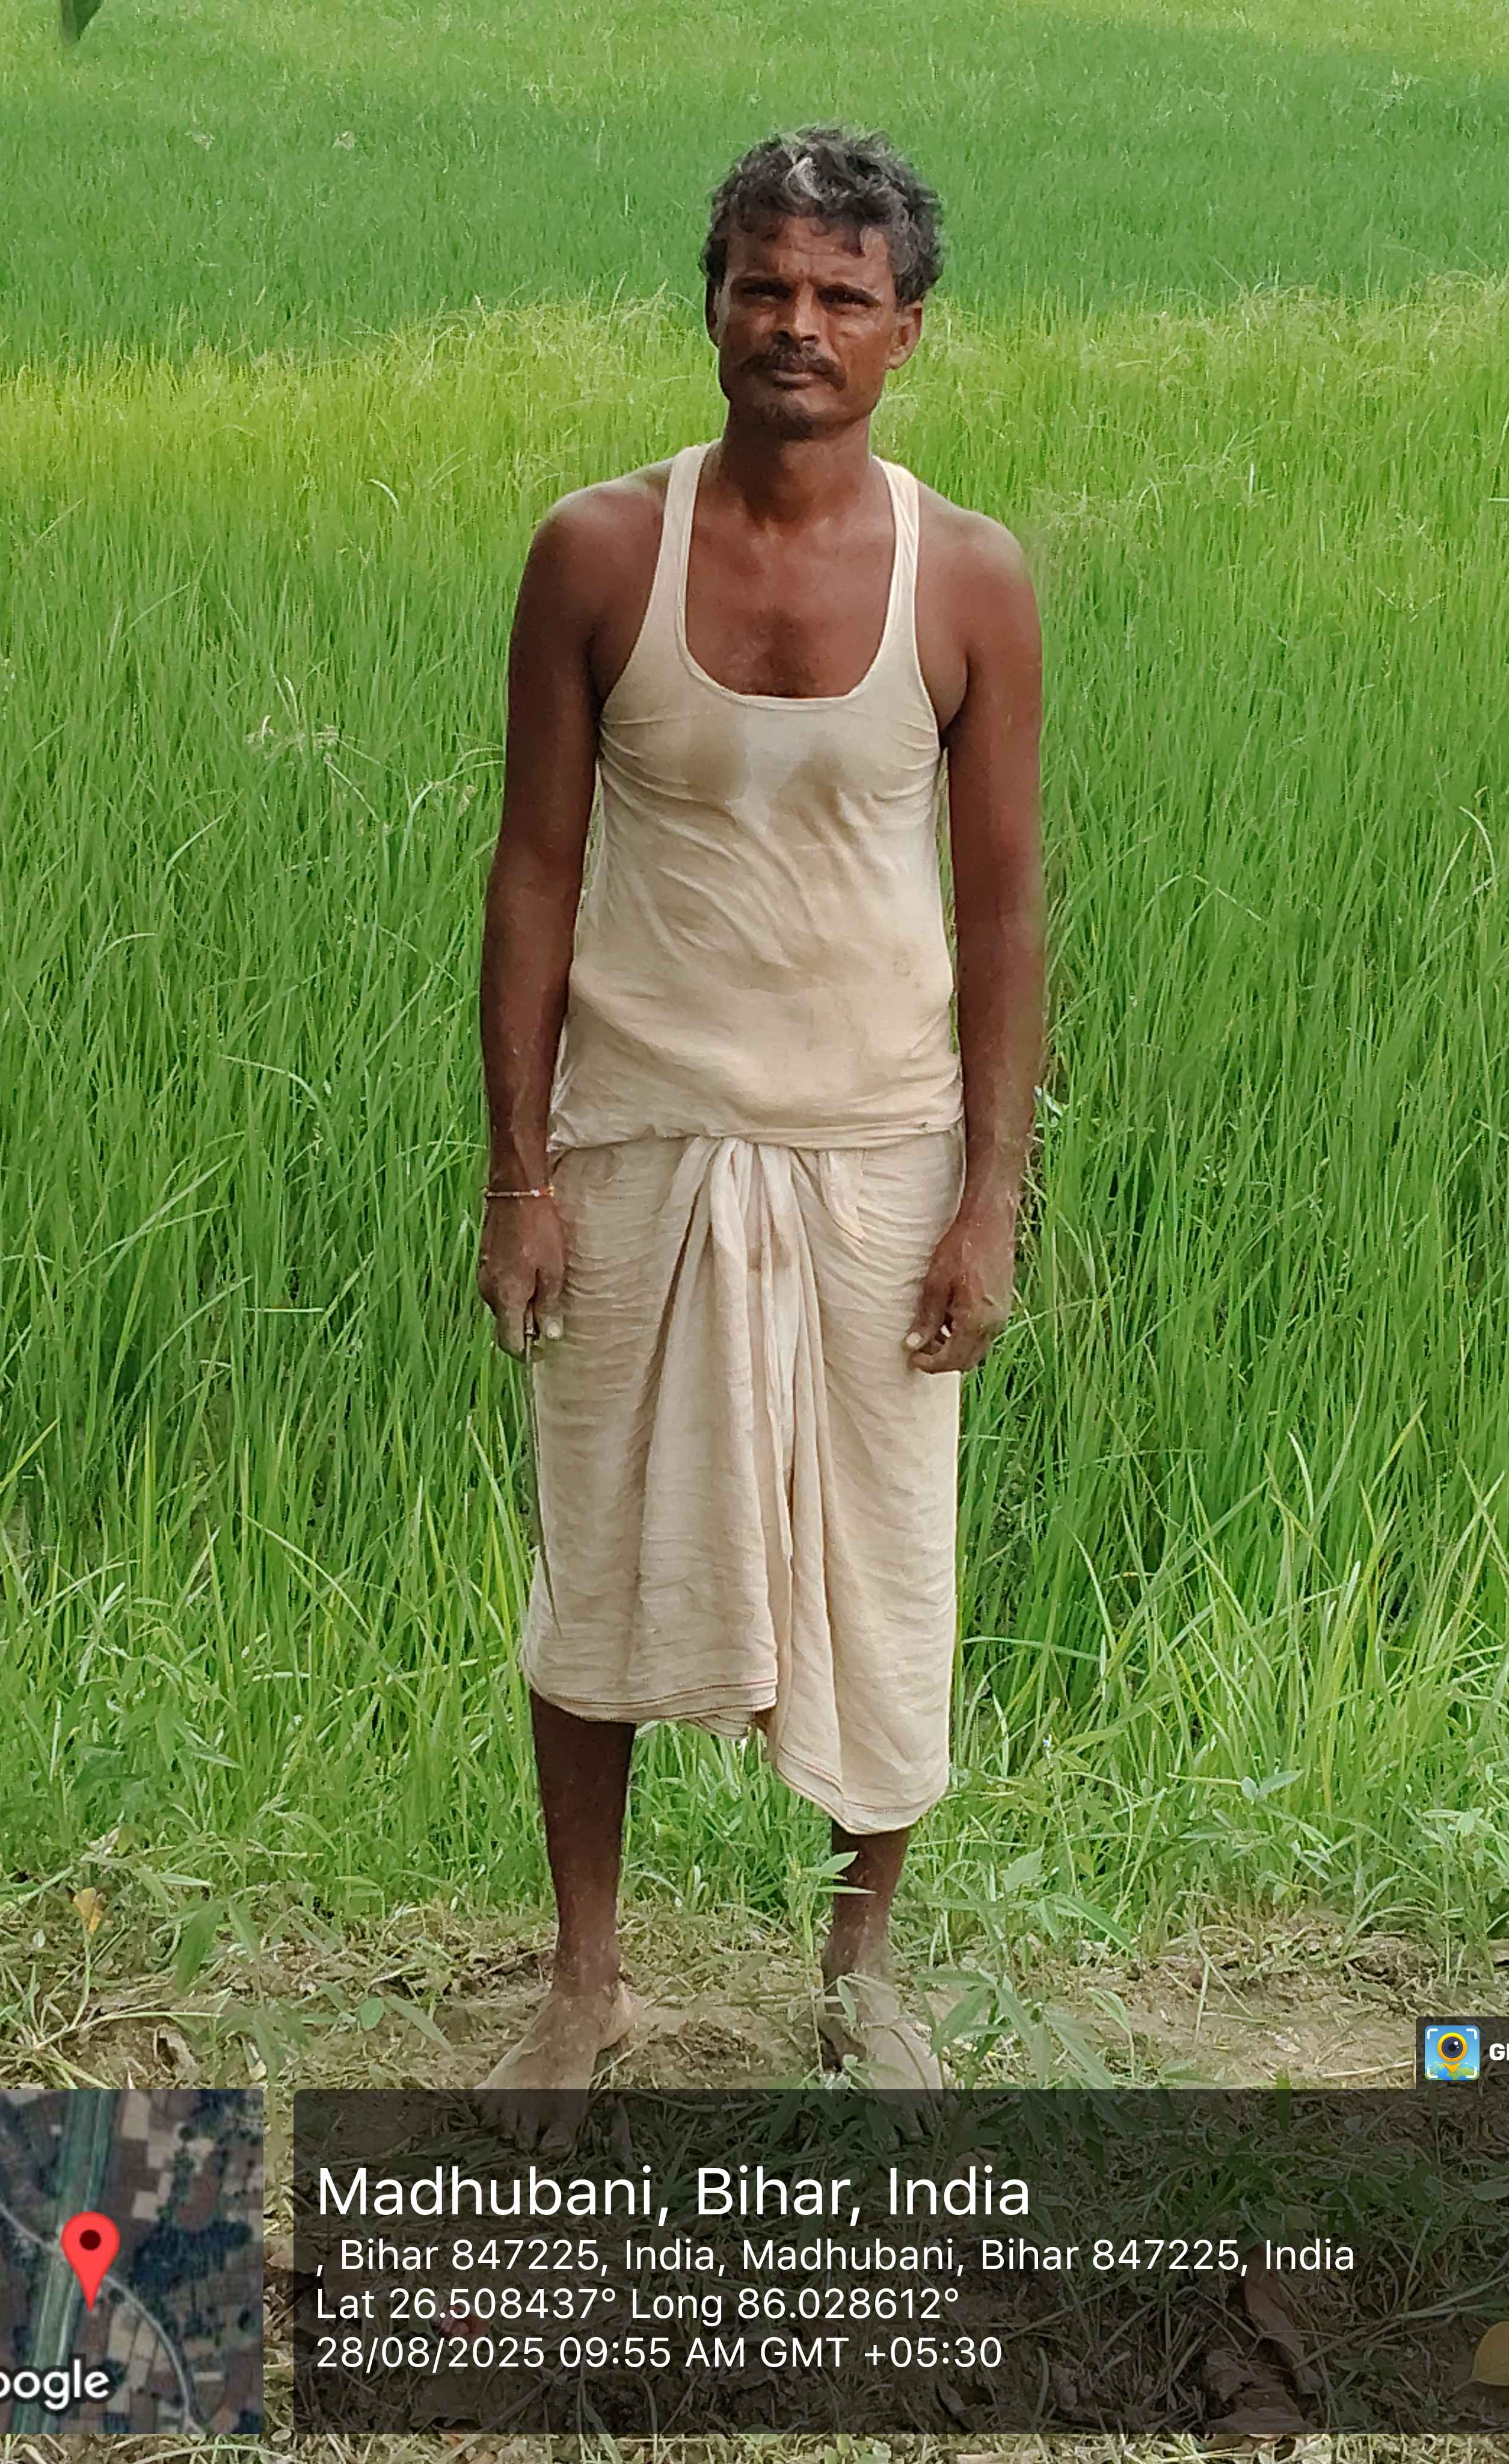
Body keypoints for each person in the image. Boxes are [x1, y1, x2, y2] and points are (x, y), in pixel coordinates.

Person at [475, 123, 1045, 2134]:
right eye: (763, 286)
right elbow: (534, 871)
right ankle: (585, 1980)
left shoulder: (968, 578)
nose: (797, 325)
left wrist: (989, 1199)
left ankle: (859, 1972)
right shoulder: (595, 552)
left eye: (841, 296)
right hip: (637, 1137)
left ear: (908, 329)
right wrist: (519, 1175)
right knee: (598, 1567)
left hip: (880, 1148)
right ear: (710, 303)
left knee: (887, 1573)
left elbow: (1004, 907)